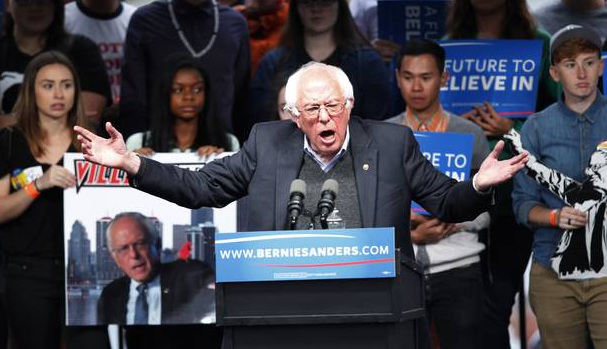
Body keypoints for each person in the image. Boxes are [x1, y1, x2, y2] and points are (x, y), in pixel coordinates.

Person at [75, 62, 527, 261]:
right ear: (293, 116)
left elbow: (448, 202)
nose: (324, 117)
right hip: (284, 303)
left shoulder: (392, 144)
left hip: (375, 302)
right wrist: (132, 162)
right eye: (311, 110)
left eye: (332, 106)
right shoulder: (266, 144)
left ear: (349, 104)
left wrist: (480, 185)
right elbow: (200, 188)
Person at [444, 0, 560, 348]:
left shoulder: (538, 43)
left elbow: (562, 117)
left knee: (499, 299)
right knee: (468, 303)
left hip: (518, 192)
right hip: (462, 189)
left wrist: (514, 127)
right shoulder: (449, 46)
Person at [0, 51, 108, 348]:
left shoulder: (92, 142)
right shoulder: (9, 141)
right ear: (31, 90)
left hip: (87, 273)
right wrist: (38, 184)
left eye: (67, 85)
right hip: (28, 272)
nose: (58, 94)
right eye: (48, 85)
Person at [386, 39, 490, 348]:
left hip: (458, 267)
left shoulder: (469, 134)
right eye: (408, 77)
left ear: (443, 79)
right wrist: (407, 226)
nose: (416, 86)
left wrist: (452, 218)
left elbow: (487, 212)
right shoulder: (383, 135)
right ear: (397, 79)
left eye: (426, 77)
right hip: (401, 266)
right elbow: (371, 207)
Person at [511, 24, 607, 348]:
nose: (581, 72)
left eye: (589, 61)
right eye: (570, 64)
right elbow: (522, 204)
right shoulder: (535, 129)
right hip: (553, 271)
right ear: (554, 73)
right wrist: (555, 217)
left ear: (601, 65)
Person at [119, 0, 250, 141]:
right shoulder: (145, 21)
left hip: (223, 155)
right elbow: (133, 100)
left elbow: (242, 101)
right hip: (158, 155)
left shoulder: (234, 24)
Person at [0, 0, 111, 141]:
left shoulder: (83, 51)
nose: (34, 6)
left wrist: (13, 120)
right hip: (4, 163)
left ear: (56, 2)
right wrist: (60, 116)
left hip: (68, 163)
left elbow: (85, 127)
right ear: (7, 3)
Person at [250, 0, 390, 124]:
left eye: (325, 0)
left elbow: (379, 126)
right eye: (307, 1)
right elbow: (260, 125)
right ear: (296, 7)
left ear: (340, 4)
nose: (316, 8)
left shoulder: (367, 63)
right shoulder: (272, 64)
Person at [97, 212, 214, 325]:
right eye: (123, 248)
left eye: (140, 243)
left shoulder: (193, 278)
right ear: (115, 258)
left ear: (157, 245)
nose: (133, 255)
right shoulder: (109, 296)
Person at [125, 54, 239, 156]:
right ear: (165, 93)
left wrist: (218, 160)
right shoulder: (138, 142)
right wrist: (134, 167)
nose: (188, 97)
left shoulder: (228, 142)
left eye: (197, 89)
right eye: (178, 90)